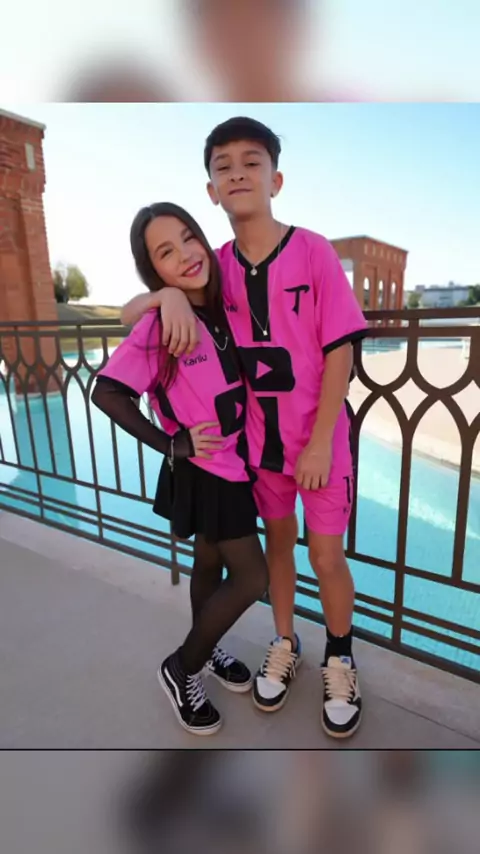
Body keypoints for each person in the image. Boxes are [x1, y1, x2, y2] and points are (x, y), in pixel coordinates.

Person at [121, 117, 368, 739]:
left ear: (275, 179)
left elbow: (340, 349)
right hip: (259, 448)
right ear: (211, 191)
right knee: (278, 547)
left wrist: (320, 440)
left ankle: (340, 656)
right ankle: (285, 642)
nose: (237, 173)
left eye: (251, 161)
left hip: (319, 443)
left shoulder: (313, 251)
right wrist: (163, 298)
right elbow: (134, 311)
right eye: (223, 165)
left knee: (326, 554)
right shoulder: (217, 267)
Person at [91, 202, 268, 736]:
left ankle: (204, 649)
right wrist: (171, 444)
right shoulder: (160, 324)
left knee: (209, 565)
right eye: (166, 252)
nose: (186, 254)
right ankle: (182, 666)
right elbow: (107, 392)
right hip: (206, 468)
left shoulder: (215, 304)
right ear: (154, 269)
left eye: (189, 237)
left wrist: (165, 294)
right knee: (252, 578)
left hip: (231, 461)